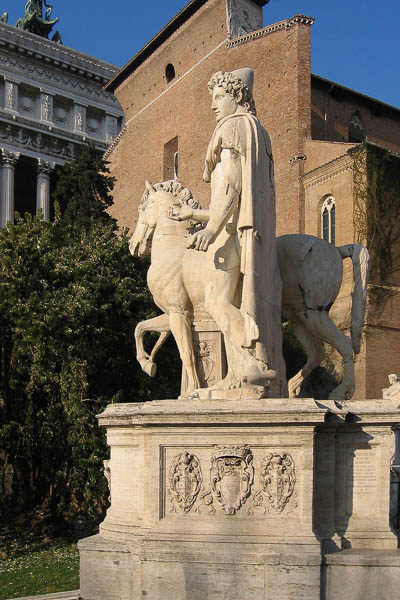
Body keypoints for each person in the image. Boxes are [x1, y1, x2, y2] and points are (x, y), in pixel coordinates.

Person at [170, 68, 286, 396]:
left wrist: (210, 228)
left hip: (229, 234)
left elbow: (232, 186)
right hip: (244, 230)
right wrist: (197, 214)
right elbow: (236, 198)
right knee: (227, 298)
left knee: (215, 300)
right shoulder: (257, 132)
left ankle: (252, 364)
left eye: (218, 96)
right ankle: (240, 374)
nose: (212, 105)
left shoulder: (233, 128)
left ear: (236, 96)